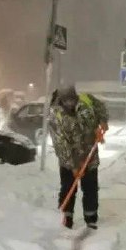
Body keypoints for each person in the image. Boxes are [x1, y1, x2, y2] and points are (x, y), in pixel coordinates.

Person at [49, 85, 108, 229]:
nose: (71, 104)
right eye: (67, 101)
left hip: (90, 156)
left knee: (90, 188)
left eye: (73, 100)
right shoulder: (56, 115)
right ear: (61, 100)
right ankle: (66, 220)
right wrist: (73, 166)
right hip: (68, 160)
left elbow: (101, 107)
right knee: (68, 188)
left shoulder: (86, 100)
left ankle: (91, 219)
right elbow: (61, 145)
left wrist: (103, 121)